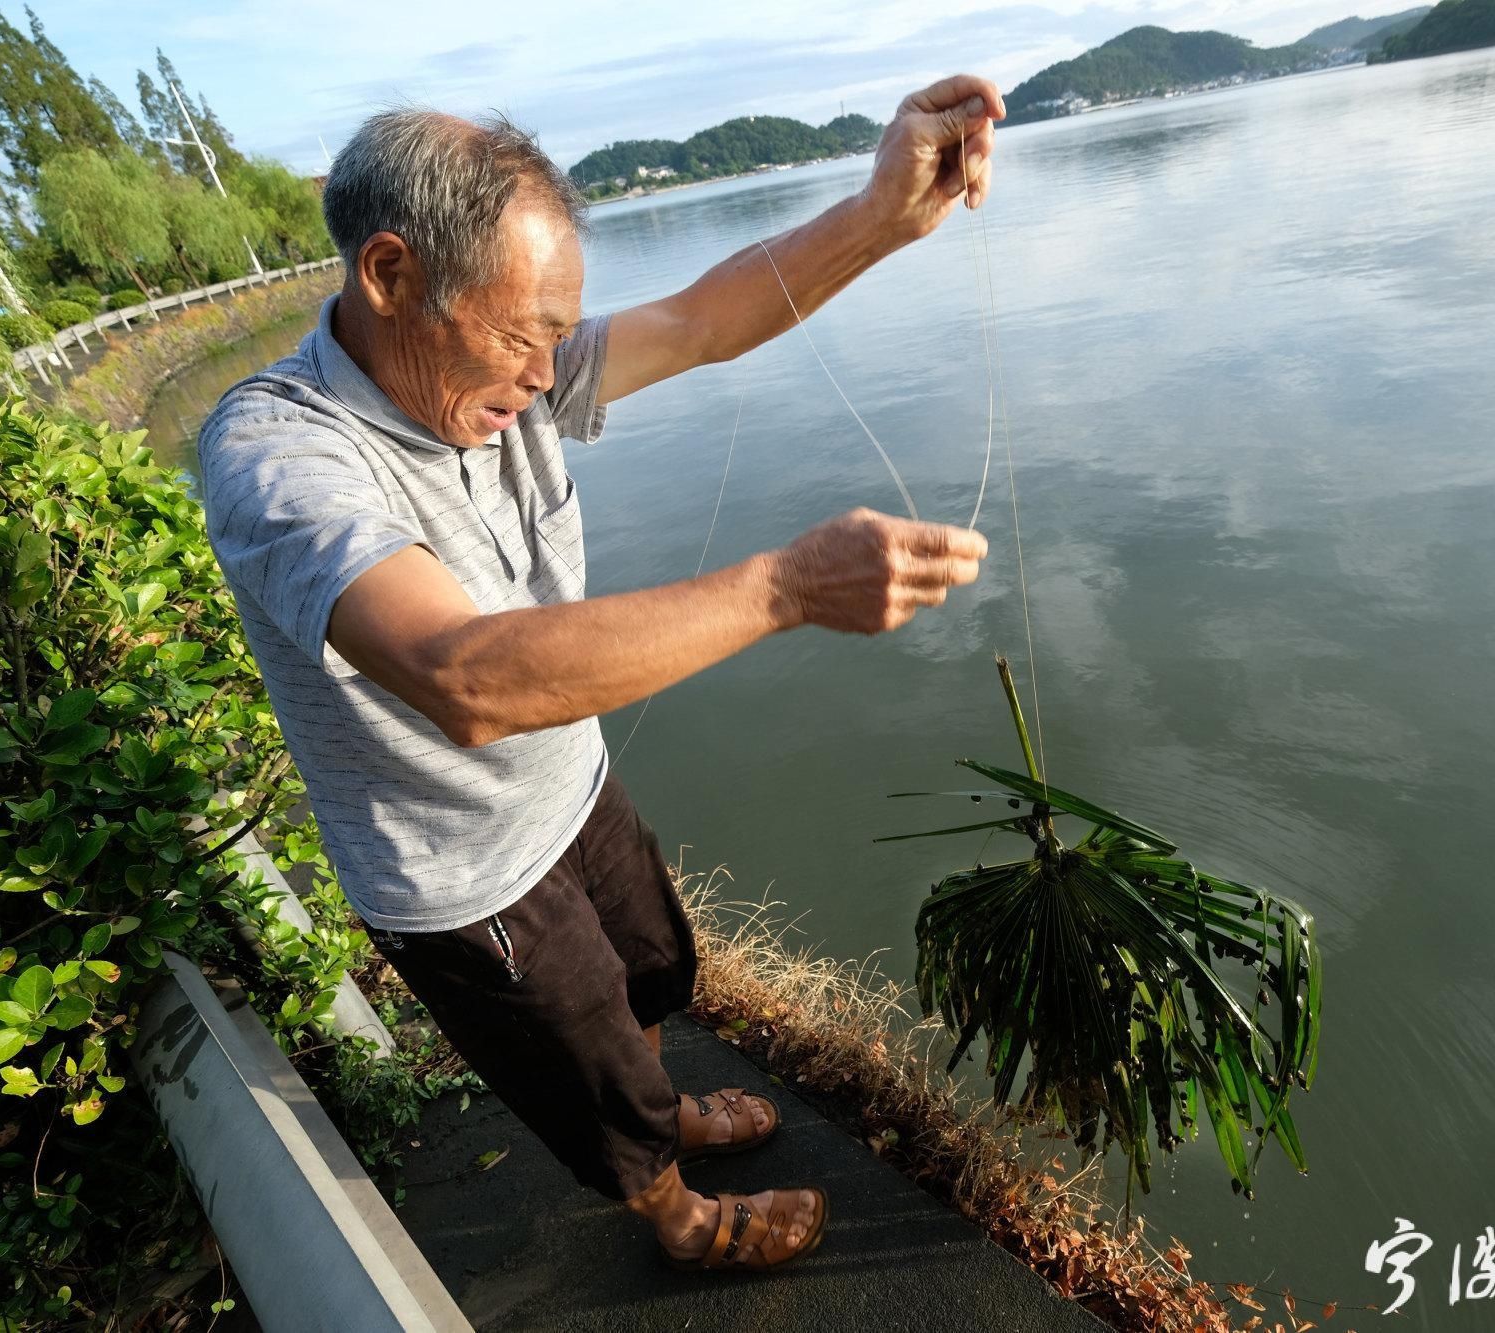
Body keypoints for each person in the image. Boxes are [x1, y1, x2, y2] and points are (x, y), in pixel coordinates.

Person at [196, 74, 1001, 1273]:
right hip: (463, 871)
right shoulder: (277, 453)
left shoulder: (498, 369)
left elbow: (707, 316)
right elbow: (459, 677)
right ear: (388, 275)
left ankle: (665, 1108)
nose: (543, 373)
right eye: (521, 336)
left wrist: (882, 213)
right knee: (579, 1069)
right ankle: (675, 1218)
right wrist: (781, 590)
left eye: (556, 337)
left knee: (643, 978)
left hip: (569, 784)